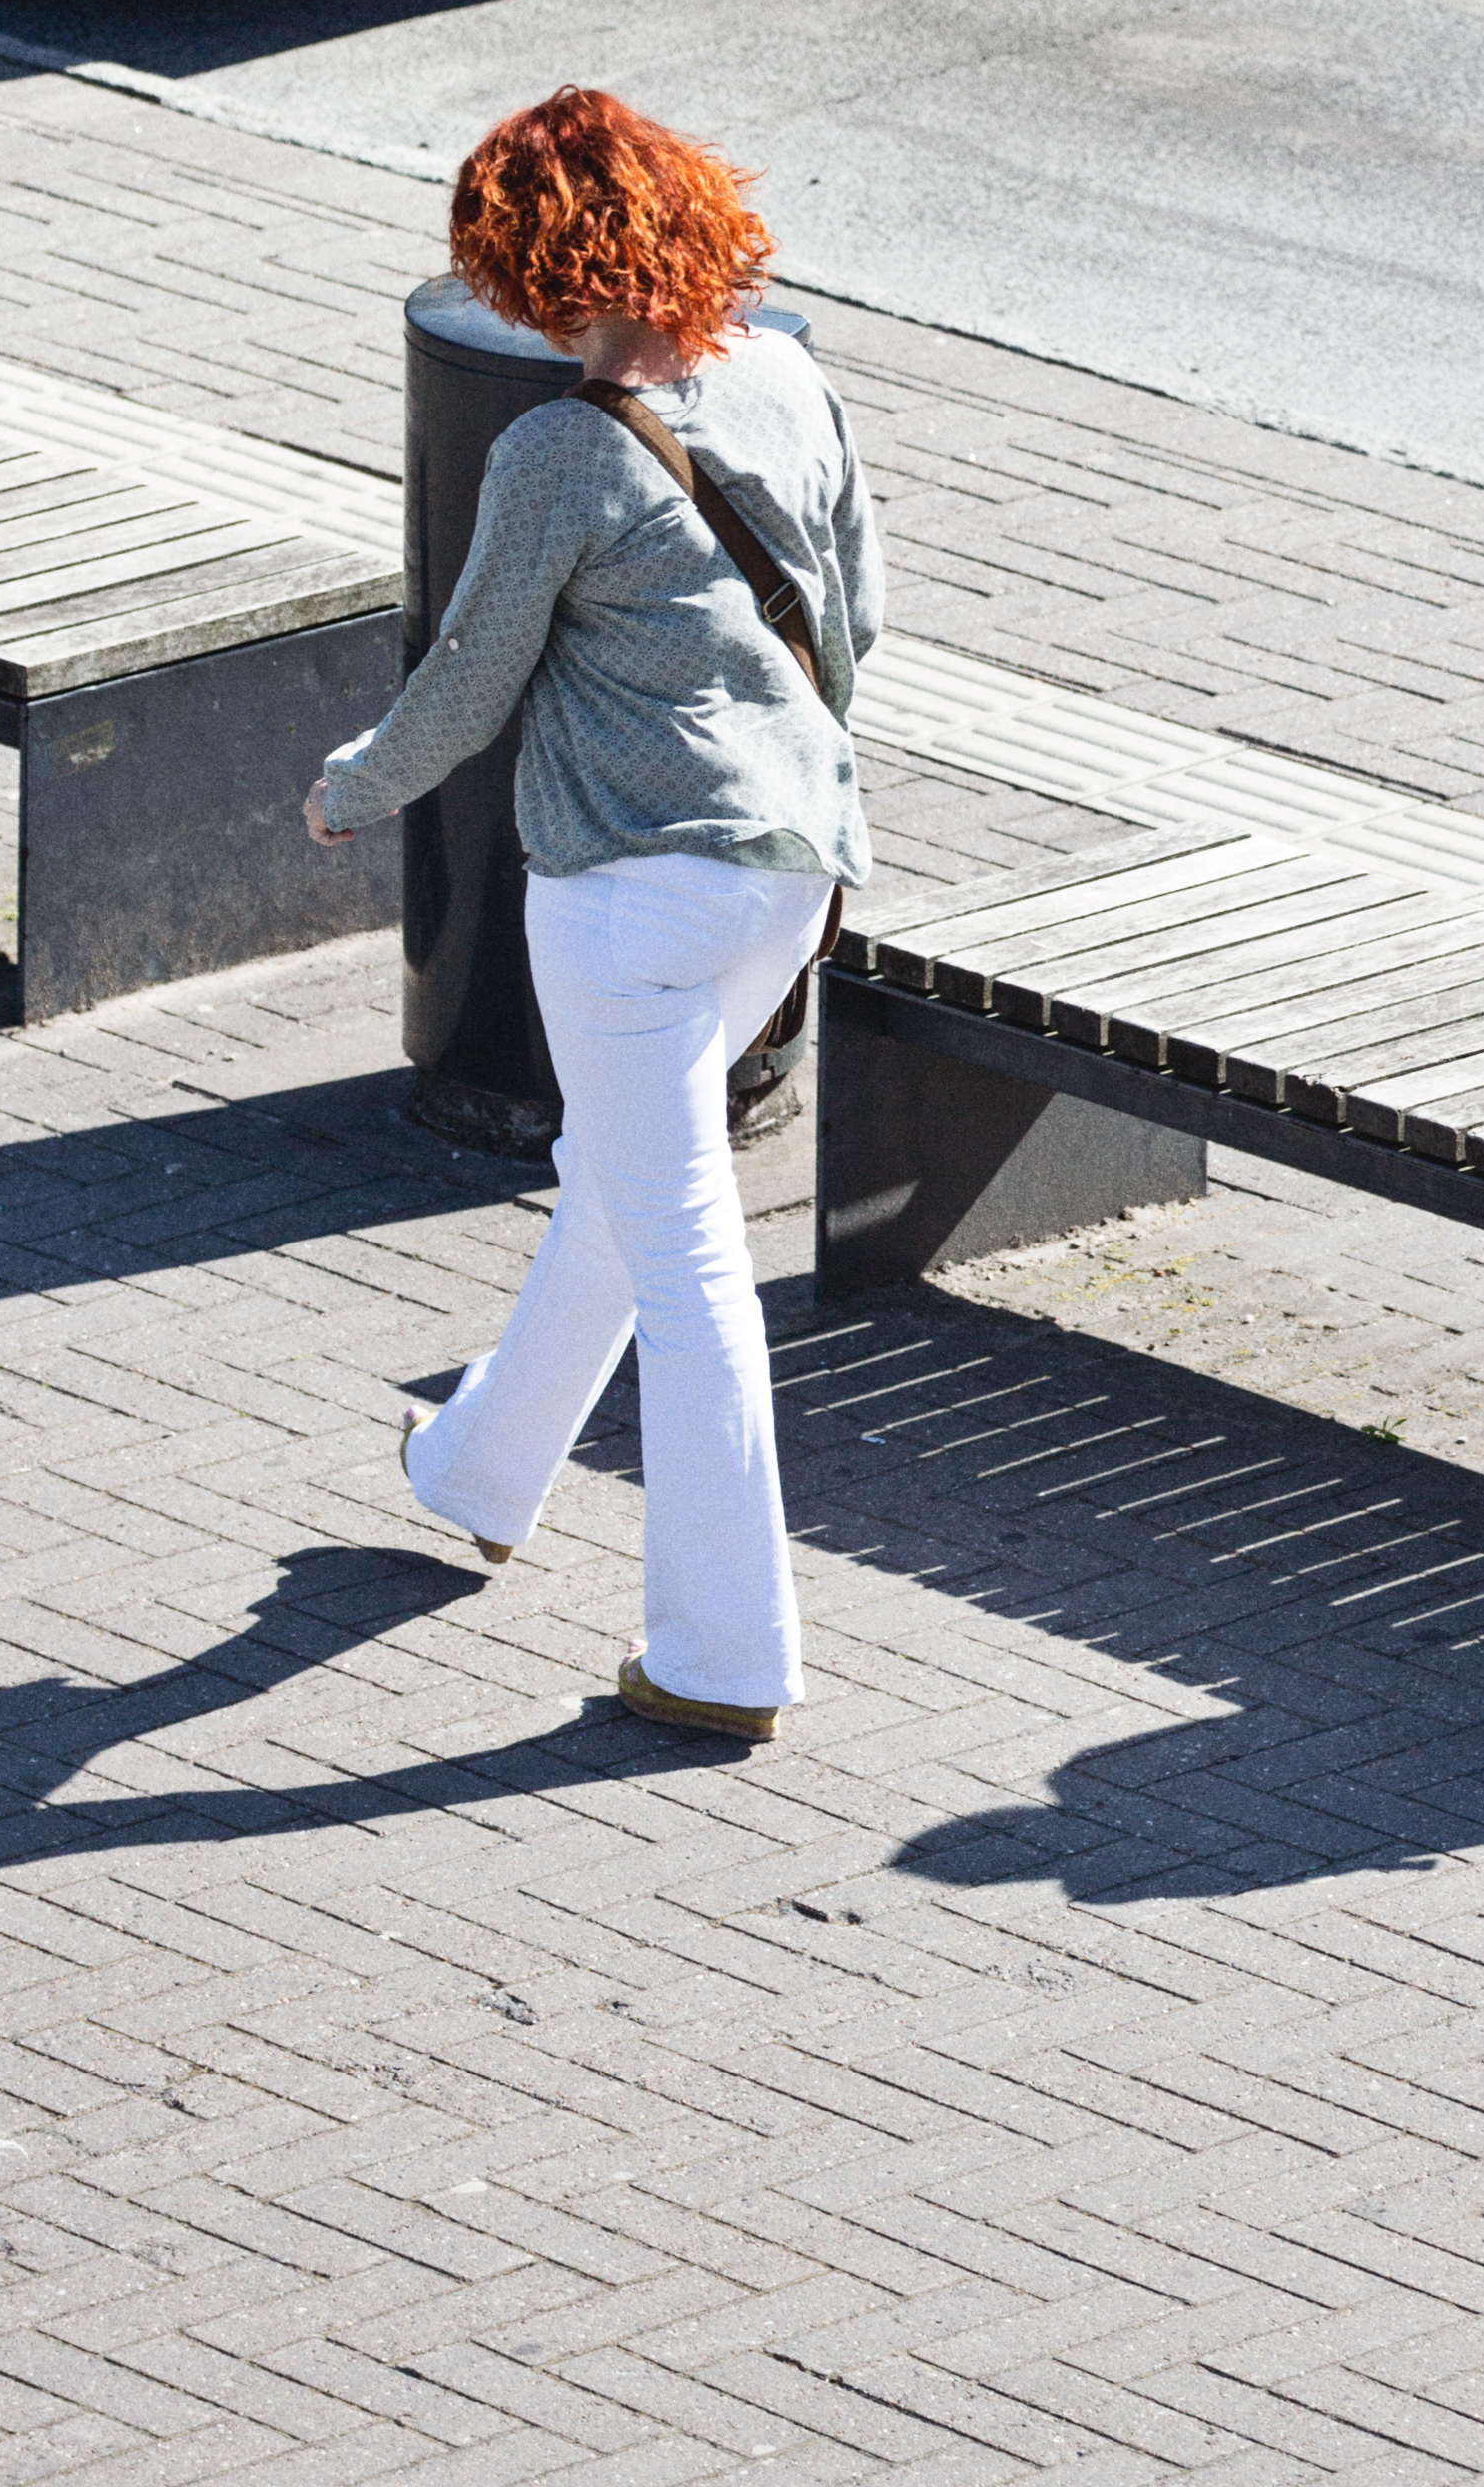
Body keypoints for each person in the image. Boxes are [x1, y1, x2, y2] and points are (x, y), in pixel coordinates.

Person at [302, 86, 884, 1745]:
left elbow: (464, 686)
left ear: (533, 267)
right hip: (790, 872)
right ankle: (481, 1463)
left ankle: (723, 1651)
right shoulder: (786, 377)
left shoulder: (556, 450)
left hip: (627, 895)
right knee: (632, 1181)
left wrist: (348, 788)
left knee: (689, 1251)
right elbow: (863, 606)